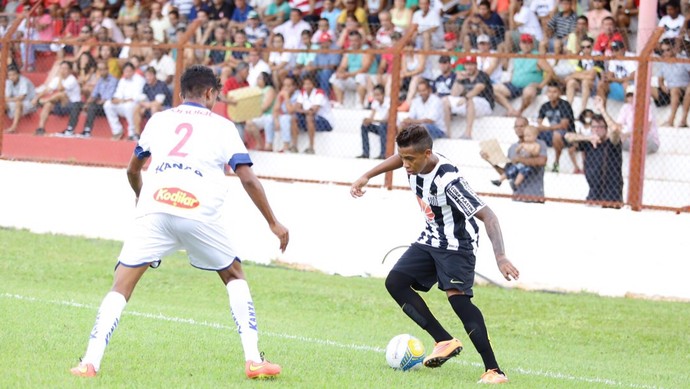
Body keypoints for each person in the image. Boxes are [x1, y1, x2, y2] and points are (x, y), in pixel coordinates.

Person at [69, 64, 289, 380]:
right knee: (234, 274)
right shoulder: (223, 127)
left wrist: (141, 198)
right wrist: (273, 222)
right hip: (198, 212)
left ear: (181, 93)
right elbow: (248, 178)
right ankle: (254, 361)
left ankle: (89, 363)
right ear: (211, 93)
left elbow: (132, 170)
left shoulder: (158, 120)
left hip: (154, 210)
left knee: (122, 283)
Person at [350, 124, 519, 385]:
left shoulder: (449, 182)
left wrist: (501, 256)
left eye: (410, 159)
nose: (405, 164)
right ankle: (444, 340)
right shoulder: (413, 159)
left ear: (427, 153)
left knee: (459, 302)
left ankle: (494, 370)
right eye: (402, 157)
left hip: (456, 245)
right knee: (395, 282)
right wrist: (367, 175)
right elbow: (400, 156)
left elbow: (489, 216)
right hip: (431, 237)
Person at [480, 117, 547, 203]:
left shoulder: (539, 144)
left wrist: (520, 160)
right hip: (517, 196)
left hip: (534, 196)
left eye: (521, 126)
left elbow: (541, 161)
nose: (518, 129)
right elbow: (505, 172)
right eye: (516, 126)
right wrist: (490, 161)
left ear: (528, 127)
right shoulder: (512, 148)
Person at [565, 114, 623, 206]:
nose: (596, 129)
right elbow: (568, 137)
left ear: (606, 128)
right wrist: (588, 137)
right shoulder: (588, 143)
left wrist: (602, 109)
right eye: (594, 127)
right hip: (593, 194)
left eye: (600, 127)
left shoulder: (612, 143)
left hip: (612, 196)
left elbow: (615, 130)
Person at [444, 56, 494, 140]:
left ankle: (468, 134)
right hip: (468, 103)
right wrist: (458, 80)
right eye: (467, 64)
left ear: (476, 65)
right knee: (445, 100)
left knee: (470, 100)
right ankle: (447, 133)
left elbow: (478, 89)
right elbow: (454, 94)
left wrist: (465, 98)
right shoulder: (465, 76)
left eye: (471, 64)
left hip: (485, 105)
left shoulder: (482, 75)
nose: (469, 67)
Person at [535, 81, 578, 173]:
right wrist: (538, 128)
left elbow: (564, 125)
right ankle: (540, 162)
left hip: (567, 134)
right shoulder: (545, 106)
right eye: (549, 92)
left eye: (554, 92)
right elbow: (539, 122)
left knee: (557, 134)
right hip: (552, 132)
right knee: (533, 133)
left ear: (559, 93)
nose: (551, 94)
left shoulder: (565, 105)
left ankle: (556, 162)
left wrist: (545, 128)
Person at [70, 60, 119, 138]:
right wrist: (86, 104)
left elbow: (109, 97)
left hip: (108, 105)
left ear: (107, 69)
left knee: (92, 107)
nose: (102, 72)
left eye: (103, 69)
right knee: (77, 104)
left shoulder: (113, 80)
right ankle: (70, 129)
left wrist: (94, 103)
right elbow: (94, 95)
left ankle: (87, 130)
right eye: (100, 70)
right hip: (99, 103)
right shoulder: (100, 80)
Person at [291, 75, 334, 154]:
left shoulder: (319, 92)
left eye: (309, 84)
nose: (306, 86)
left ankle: (311, 147)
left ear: (313, 84)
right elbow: (296, 108)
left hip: (324, 121)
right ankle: (294, 146)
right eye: (305, 84)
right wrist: (305, 111)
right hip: (309, 118)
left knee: (309, 117)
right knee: (294, 118)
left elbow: (314, 110)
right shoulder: (302, 92)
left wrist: (302, 110)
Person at [104, 62, 146, 141]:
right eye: (126, 71)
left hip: (135, 103)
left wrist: (123, 100)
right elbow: (118, 94)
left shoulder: (139, 79)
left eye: (130, 71)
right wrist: (116, 99)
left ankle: (132, 133)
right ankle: (117, 131)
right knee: (107, 105)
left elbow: (136, 96)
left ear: (134, 71)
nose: (128, 73)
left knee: (129, 106)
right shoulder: (122, 80)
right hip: (123, 103)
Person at [357, 84, 389, 159]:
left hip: (389, 127)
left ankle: (383, 154)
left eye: (378, 95)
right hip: (381, 126)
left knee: (382, 126)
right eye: (375, 95)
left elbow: (387, 120)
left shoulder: (389, 102)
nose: (376, 97)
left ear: (383, 94)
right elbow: (372, 116)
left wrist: (372, 120)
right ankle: (365, 153)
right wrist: (367, 120)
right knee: (364, 126)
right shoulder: (375, 102)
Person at [4, 66, 36, 134]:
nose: (12, 77)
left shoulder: (24, 81)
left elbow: (22, 97)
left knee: (18, 103)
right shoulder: (8, 82)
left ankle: (13, 127)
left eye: (14, 74)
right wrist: (8, 100)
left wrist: (9, 99)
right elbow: (6, 97)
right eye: (9, 75)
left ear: (18, 74)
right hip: (14, 102)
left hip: (29, 103)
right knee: (2, 104)